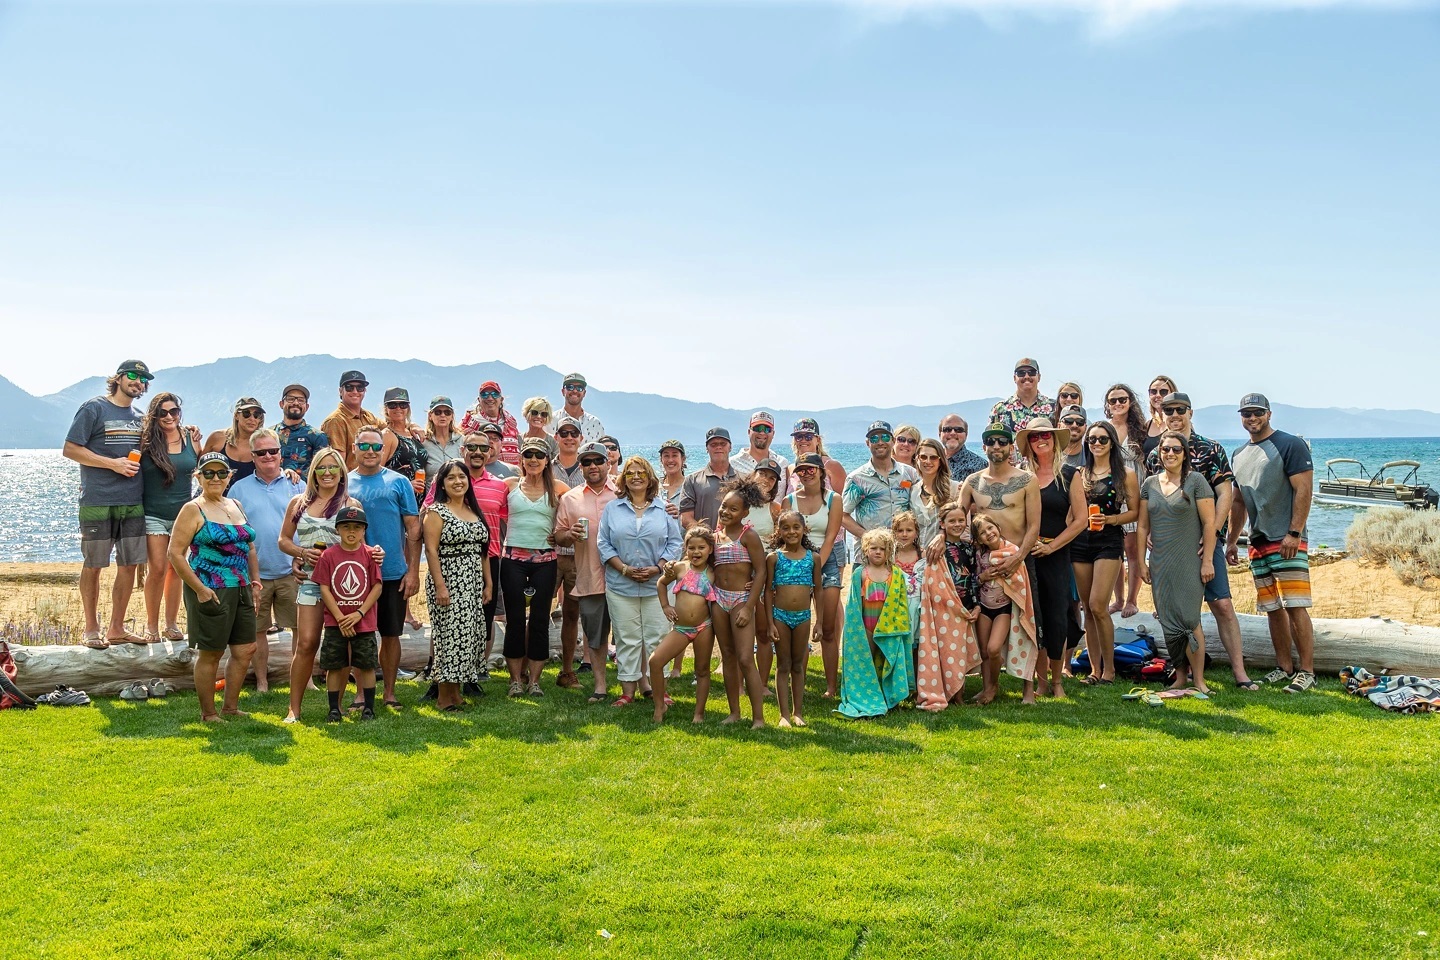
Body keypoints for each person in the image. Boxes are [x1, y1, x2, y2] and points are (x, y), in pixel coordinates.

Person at [1143, 393, 1257, 690]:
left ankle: (1240, 673)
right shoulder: (1156, 454)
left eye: (1180, 409)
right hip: (1171, 546)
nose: (1174, 414)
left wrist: (1214, 535)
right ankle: (1182, 672)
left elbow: (1225, 494)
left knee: (1221, 604)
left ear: (1190, 412)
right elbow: (1154, 497)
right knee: (1173, 610)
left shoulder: (1211, 448)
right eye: (1168, 410)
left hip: (1205, 542)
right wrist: (1152, 532)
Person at [1227, 393, 1317, 694]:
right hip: (1257, 541)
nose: (1252, 418)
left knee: (1296, 605)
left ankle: (1307, 671)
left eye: (1257, 412)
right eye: (1246, 414)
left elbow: (1304, 490)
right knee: (1272, 607)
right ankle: (1284, 667)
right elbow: (1238, 502)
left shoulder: (1291, 444)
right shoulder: (1239, 454)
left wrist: (1295, 532)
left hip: (1287, 538)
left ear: (1268, 414)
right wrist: (1231, 542)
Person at [64, 359, 152, 648]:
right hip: (98, 500)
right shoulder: (94, 408)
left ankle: (116, 629)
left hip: (133, 501)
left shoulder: (141, 417)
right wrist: (112, 464)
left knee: (129, 565)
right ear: (118, 378)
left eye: (143, 379)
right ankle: (91, 629)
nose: (138, 382)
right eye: (132, 375)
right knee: (94, 564)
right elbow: (70, 449)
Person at [167, 452, 260, 722]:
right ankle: (208, 713)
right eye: (208, 473)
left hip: (241, 587)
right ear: (198, 477)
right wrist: (200, 589)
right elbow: (175, 554)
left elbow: (249, 547)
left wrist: (255, 581)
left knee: (245, 649)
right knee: (211, 652)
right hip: (210, 588)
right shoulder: (192, 509)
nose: (215, 478)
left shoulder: (236, 504)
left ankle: (230, 707)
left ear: (230, 476)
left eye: (221, 473)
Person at [278, 447, 367, 723]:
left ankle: (336, 707)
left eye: (333, 467)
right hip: (310, 581)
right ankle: (294, 709)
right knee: (306, 643)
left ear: (341, 472)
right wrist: (301, 554)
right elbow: (283, 540)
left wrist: (374, 554)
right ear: (313, 472)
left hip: (343, 585)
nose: (327, 472)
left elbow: (360, 543)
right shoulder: (299, 503)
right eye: (321, 467)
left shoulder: (350, 504)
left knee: (341, 645)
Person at [954, 423, 1041, 701]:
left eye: (1002, 441)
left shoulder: (1027, 480)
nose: (996, 446)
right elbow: (957, 520)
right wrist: (941, 540)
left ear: (1010, 446)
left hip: (1020, 563)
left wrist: (1018, 557)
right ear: (984, 447)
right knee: (985, 636)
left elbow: (1034, 525)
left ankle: (1029, 689)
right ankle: (989, 687)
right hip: (985, 566)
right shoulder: (973, 482)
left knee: (1027, 625)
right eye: (991, 442)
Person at [599, 456, 681, 707]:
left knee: (658, 637)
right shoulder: (612, 509)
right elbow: (603, 543)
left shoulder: (664, 509)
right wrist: (623, 569)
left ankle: (660, 691)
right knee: (627, 638)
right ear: (623, 479)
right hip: (620, 585)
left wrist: (658, 568)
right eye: (630, 473)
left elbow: (675, 543)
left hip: (657, 587)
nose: (636, 477)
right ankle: (627, 692)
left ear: (650, 478)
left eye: (641, 473)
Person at [1138, 431, 1216, 695]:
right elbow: (1142, 527)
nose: (1170, 454)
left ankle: (1199, 680)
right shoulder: (1149, 484)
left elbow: (1209, 523)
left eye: (1176, 449)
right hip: (1160, 563)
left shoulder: (1196, 481)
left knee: (1190, 619)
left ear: (1185, 453)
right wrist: (1141, 563)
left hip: (1189, 561)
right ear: (1159, 453)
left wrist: (1208, 561)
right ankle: (1180, 676)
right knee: (1168, 620)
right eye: (1165, 449)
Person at [347, 426, 420, 708]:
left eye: (376, 447)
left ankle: (389, 692)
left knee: (391, 634)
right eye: (364, 446)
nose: (370, 451)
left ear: (383, 449)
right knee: (358, 635)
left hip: (392, 572)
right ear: (354, 448)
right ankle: (360, 693)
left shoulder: (399, 482)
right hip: (354, 574)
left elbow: (413, 529)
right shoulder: (344, 483)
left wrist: (412, 571)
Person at [228, 428, 304, 694]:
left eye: (273, 451)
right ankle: (262, 682)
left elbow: (308, 522)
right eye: (261, 452)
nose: (268, 456)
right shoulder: (238, 489)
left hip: (292, 570)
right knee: (257, 630)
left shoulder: (297, 485)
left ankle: (303, 678)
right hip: (255, 574)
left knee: (299, 627)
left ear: (281, 454)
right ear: (252, 456)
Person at [428, 432, 509, 681]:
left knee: (481, 620)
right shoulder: (442, 489)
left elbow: (507, 521)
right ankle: (437, 672)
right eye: (472, 446)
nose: (477, 452)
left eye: (483, 448)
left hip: (486, 560)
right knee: (448, 623)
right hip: (449, 565)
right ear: (463, 449)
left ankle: (476, 672)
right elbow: (429, 535)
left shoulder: (499, 486)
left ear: (490, 452)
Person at [1016, 417, 1087, 700]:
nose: (1040, 440)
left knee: (1057, 617)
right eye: (1034, 436)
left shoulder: (1069, 474)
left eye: (1045, 434)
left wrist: (1052, 547)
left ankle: (1057, 681)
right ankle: (1040, 681)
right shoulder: (1021, 476)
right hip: (1027, 556)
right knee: (1034, 618)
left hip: (1056, 554)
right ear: (1028, 444)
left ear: (1054, 439)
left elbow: (1081, 520)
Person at [1068, 421, 1139, 686]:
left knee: (1099, 605)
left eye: (1102, 439)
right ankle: (1094, 670)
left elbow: (1135, 512)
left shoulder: (1125, 474)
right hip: (1080, 542)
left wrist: (1111, 520)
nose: (1096, 443)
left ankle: (1109, 670)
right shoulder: (1079, 474)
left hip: (1108, 540)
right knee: (1087, 607)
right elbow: (1071, 512)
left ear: (1112, 443)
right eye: (1092, 439)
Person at [500, 438, 568, 696]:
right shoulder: (509, 485)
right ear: (521, 458)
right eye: (528, 454)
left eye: (539, 455)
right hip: (512, 560)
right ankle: (515, 679)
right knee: (515, 620)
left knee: (540, 620)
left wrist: (561, 532)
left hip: (545, 561)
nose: (533, 460)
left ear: (547, 460)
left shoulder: (558, 488)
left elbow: (579, 505)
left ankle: (535, 681)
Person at [423, 460, 492, 712]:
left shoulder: (473, 510)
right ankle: (443, 697)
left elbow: (483, 551)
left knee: (468, 635)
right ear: (442, 483)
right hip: (449, 580)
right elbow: (431, 551)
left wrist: (488, 583)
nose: (457, 481)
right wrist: (441, 586)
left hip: (472, 583)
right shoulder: (436, 512)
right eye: (450, 477)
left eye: (461, 476)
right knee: (449, 637)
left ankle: (455, 693)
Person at [554, 444, 616, 701]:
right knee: (595, 635)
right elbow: (559, 535)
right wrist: (569, 534)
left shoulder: (623, 493)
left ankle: (638, 684)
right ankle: (600, 686)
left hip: (623, 577)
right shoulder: (570, 498)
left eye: (598, 460)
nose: (593, 466)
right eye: (587, 462)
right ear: (581, 467)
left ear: (608, 463)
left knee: (631, 634)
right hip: (589, 575)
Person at [313, 505, 383, 722]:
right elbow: (324, 588)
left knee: (366, 665)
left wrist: (359, 614)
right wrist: (340, 618)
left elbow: (377, 586)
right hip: (336, 622)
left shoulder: (370, 555)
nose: (351, 531)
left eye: (357, 527)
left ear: (364, 530)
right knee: (335, 666)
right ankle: (334, 708)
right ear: (337, 530)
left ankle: (369, 708)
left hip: (364, 621)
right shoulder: (328, 556)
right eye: (346, 527)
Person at [711, 476, 770, 728]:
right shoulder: (715, 537)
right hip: (718, 600)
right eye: (724, 506)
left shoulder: (749, 536)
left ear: (745, 513)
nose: (726, 511)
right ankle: (734, 712)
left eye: (733, 509)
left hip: (740, 600)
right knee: (728, 656)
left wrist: (748, 606)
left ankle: (758, 717)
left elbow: (761, 571)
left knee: (745, 658)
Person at [139, 391, 197, 643]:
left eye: (174, 411)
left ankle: (171, 624)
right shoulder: (144, 442)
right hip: (153, 514)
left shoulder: (191, 438)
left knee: (176, 569)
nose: (169, 416)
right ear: (154, 415)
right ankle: (152, 626)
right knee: (158, 569)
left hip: (183, 516)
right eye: (163, 412)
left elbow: (205, 470)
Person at [835, 528, 912, 719]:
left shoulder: (895, 574)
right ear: (865, 550)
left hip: (888, 628)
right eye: (873, 548)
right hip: (866, 627)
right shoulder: (861, 574)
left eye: (882, 549)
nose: (878, 552)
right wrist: (857, 629)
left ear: (889, 551)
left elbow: (901, 603)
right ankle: (867, 696)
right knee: (866, 660)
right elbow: (854, 604)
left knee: (886, 659)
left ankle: (887, 697)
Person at [914, 501, 980, 711]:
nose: (957, 524)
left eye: (961, 520)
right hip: (942, 606)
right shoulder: (937, 549)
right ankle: (942, 690)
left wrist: (976, 605)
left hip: (964, 605)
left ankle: (958, 694)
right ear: (942, 523)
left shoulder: (969, 548)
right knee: (943, 649)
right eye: (952, 521)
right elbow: (931, 577)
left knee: (958, 651)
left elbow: (974, 577)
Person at [650, 525, 718, 724]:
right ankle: (659, 705)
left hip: (704, 627)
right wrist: (665, 606)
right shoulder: (679, 567)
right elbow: (661, 583)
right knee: (655, 661)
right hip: (681, 628)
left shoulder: (714, 572)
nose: (696, 552)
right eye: (691, 548)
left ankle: (699, 713)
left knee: (702, 670)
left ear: (710, 549)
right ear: (686, 549)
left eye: (701, 548)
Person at [970, 514, 1039, 705]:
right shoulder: (980, 555)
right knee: (984, 651)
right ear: (979, 539)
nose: (988, 533)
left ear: (998, 528)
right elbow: (974, 580)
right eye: (982, 533)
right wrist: (983, 577)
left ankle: (993, 685)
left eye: (990, 528)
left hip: (1003, 608)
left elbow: (1019, 579)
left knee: (993, 649)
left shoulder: (1012, 552)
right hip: (985, 606)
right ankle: (988, 688)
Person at [765, 511, 820, 728]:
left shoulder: (813, 558)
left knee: (798, 665)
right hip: (780, 616)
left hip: (803, 617)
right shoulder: (774, 558)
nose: (791, 532)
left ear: (804, 529)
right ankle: (784, 715)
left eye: (796, 527)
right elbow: (768, 591)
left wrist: (819, 622)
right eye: (785, 528)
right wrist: (770, 623)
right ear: (778, 531)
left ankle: (798, 712)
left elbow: (818, 591)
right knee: (783, 664)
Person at [841, 421, 920, 559]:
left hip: (903, 554)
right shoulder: (857, 478)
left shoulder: (910, 474)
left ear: (893, 441)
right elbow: (843, 515)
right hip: (869, 555)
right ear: (867, 443)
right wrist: (868, 537)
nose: (880, 442)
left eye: (885, 437)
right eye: (874, 438)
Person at [1103, 383, 1148, 618]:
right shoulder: (1104, 429)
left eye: (1122, 399)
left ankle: (1132, 600)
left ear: (1130, 402)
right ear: (1107, 404)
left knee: (1133, 549)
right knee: (1115, 551)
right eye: (1113, 400)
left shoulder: (1141, 429)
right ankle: (1118, 599)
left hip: (1136, 491)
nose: (1118, 404)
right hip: (1111, 494)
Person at [321, 370, 382, 471]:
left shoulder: (368, 416)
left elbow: (391, 427)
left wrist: (410, 427)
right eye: (349, 387)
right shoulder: (335, 421)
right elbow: (337, 463)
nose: (355, 391)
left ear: (364, 391)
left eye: (360, 388)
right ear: (341, 391)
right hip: (351, 480)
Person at [679, 427, 737, 530]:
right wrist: (707, 536)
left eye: (723, 444)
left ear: (730, 447)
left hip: (737, 539)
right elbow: (686, 518)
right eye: (713, 444)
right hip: (704, 539)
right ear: (707, 448)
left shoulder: (742, 479)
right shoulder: (692, 480)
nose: (718, 447)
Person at [203, 397, 265, 489]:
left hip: (245, 497)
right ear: (236, 415)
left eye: (257, 415)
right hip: (213, 496)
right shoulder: (218, 438)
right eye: (246, 413)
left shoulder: (263, 446)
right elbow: (198, 468)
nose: (252, 418)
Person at [988, 358, 1056, 438]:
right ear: (1014, 378)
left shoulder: (1054, 407)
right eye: (1021, 373)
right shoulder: (1000, 409)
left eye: (1031, 372)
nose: (1026, 376)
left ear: (1039, 377)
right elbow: (990, 440)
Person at [275, 384, 328, 480]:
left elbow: (322, 469)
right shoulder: (270, 434)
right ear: (281, 404)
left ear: (307, 407)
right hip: (272, 487)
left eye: (301, 400)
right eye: (290, 399)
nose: (296, 403)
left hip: (304, 488)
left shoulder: (317, 436)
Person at [379, 387, 427, 495]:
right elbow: (377, 474)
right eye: (392, 405)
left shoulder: (412, 433)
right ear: (386, 409)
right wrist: (406, 485)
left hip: (420, 497)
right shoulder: (386, 435)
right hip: (399, 497)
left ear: (408, 408)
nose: (398, 408)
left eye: (403, 405)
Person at [461, 380, 521, 464]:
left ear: (501, 399)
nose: (490, 398)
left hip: (512, 470)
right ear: (479, 400)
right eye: (484, 394)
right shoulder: (469, 422)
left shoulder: (511, 421)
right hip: (484, 470)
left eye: (495, 394)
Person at [733, 411, 791, 494]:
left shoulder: (783, 463)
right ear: (749, 432)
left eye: (767, 429)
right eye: (757, 428)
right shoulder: (733, 463)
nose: (762, 432)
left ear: (773, 433)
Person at [911, 438, 953, 548]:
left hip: (945, 553)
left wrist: (942, 534)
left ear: (940, 460)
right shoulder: (912, 491)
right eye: (923, 457)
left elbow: (964, 528)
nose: (928, 461)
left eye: (933, 457)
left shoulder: (954, 488)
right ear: (917, 459)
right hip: (916, 554)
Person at [789, 418, 849, 493]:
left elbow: (844, 498)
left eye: (808, 436)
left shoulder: (832, 466)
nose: (803, 440)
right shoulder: (791, 469)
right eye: (799, 437)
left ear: (818, 440)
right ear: (794, 440)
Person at [421, 396, 464, 479]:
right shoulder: (423, 442)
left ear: (452, 416)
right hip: (432, 487)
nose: (443, 415)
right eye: (438, 412)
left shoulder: (463, 441)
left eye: (447, 412)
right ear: (430, 415)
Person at [558, 372, 605, 444]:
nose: (575, 391)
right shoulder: (550, 421)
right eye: (570, 387)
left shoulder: (595, 423)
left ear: (584, 393)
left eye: (579, 388)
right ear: (563, 391)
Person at [939, 414, 986, 483]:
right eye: (947, 429)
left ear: (966, 434)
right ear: (939, 434)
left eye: (958, 430)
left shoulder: (980, 466)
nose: (952, 433)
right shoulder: (930, 461)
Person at [1145, 375, 1180, 449]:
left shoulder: (1181, 422)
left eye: (1163, 392)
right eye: (1153, 392)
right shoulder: (1147, 426)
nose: (1158, 395)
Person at [551, 416, 585, 487]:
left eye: (574, 433)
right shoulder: (547, 469)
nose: (569, 438)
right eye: (564, 433)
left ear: (581, 438)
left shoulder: (589, 468)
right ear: (556, 438)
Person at [657, 440, 687, 517]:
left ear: (683, 459)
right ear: (661, 459)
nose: (670, 460)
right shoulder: (655, 486)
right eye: (666, 456)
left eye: (674, 455)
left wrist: (680, 516)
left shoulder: (690, 486)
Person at [1058, 405, 1087, 470]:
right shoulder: (1049, 455)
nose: (1074, 425)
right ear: (1059, 426)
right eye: (1068, 421)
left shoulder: (1092, 457)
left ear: (1085, 427)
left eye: (1080, 422)